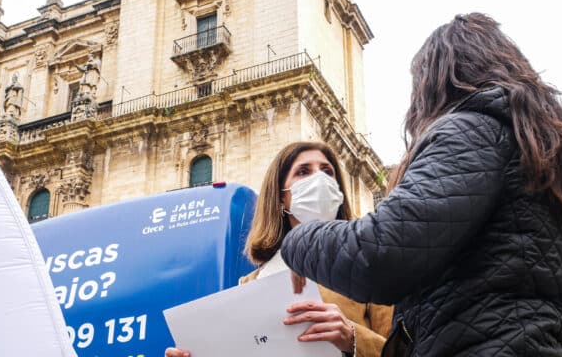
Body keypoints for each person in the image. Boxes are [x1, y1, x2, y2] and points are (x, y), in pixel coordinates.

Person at [280, 12, 562, 356]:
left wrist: (298, 241)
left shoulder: (471, 130)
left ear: (436, 80)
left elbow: (380, 253)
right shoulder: (524, 146)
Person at [165, 141, 393, 357]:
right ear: (280, 198)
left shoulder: (372, 265)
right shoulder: (250, 283)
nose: (320, 179)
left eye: (328, 171)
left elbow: (409, 350)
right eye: (303, 171)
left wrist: (353, 339)